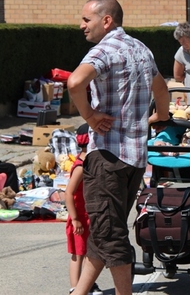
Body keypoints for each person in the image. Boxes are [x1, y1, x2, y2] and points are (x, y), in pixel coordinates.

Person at [67, 0, 170, 295]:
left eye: (87, 19)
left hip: (107, 157)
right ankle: (80, 291)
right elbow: (161, 89)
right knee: (104, 232)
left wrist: (89, 115)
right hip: (134, 159)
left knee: (110, 235)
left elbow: (74, 83)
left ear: (106, 20)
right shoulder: (141, 48)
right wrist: (160, 117)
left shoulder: (104, 50)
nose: (81, 25)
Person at [66, 124, 102, 295]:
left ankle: (87, 284)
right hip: (79, 217)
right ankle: (75, 288)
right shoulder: (80, 166)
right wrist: (74, 219)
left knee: (90, 252)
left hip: (89, 216)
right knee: (77, 254)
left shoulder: (89, 163)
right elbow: (69, 193)